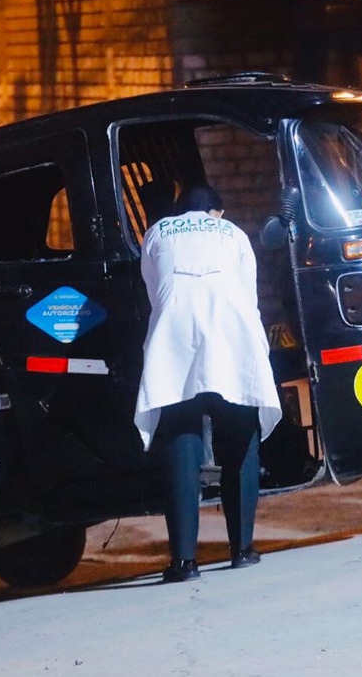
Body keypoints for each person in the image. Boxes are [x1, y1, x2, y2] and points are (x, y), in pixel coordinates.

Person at [134, 184, 283, 581]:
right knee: (238, 430)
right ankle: (243, 549)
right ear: (216, 212)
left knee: (181, 433)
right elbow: (247, 294)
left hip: (174, 333)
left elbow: (154, 289)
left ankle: (184, 561)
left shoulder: (156, 232)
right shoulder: (233, 233)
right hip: (231, 333)